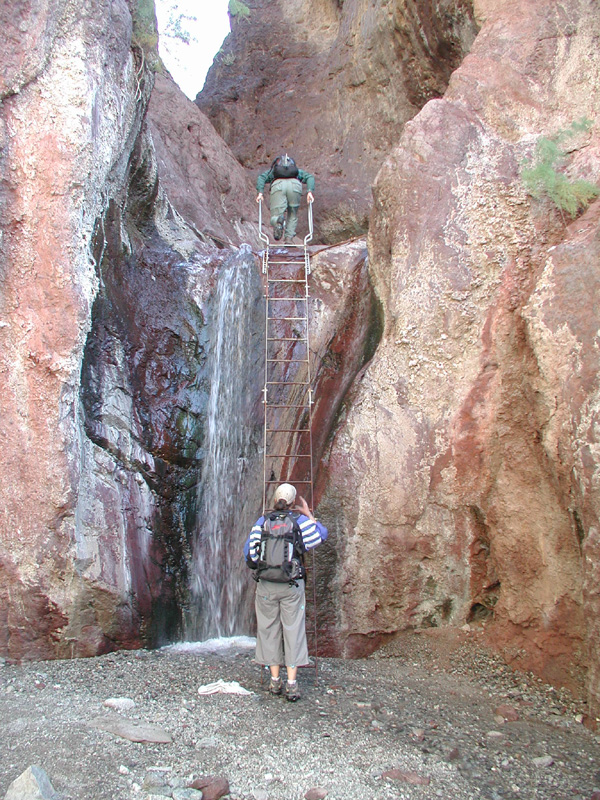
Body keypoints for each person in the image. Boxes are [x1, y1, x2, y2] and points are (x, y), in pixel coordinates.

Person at [244, 482, 327, 701]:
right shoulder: (299, 523)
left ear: (275, 501)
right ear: (292, 503)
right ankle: (291, 683)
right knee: (293, 629)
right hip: (291, 585)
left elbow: (249, 555)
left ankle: (274, 681)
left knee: (268, 629)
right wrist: (309, 515)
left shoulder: (261, 523)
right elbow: (322, 534)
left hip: (266, 586)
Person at [256, 154, 315, 244]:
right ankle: (289, 239)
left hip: (278, 185)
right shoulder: (297, 172)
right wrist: (309, 191)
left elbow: (261, 177)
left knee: (276, 213)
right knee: (292, 214)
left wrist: (260, 192)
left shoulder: (274, 172)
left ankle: (278, 220)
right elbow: (310, 177)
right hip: (295, 185)